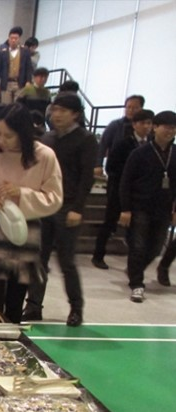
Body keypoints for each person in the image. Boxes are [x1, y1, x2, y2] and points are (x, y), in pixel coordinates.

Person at [0, 103, 63, 323]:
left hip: (25, 230)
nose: (1, 140)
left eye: (8, 136)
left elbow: (54, 197)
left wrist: (22, 193)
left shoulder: (44, 156)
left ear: (23, 133)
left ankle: (12, 336)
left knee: (16, 297)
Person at [22, 95, 97, 327]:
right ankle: (34, 306)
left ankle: (76, 308)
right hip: (44, 205)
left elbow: (86, 178)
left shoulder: (86, 139)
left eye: (63, 110)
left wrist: (78, 208)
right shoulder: (48, 138)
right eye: (54, 110)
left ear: (75, 114)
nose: (57, 114)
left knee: (67, 261)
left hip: (68, 206)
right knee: (38, 259)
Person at [119, 110, 176, 303]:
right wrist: (125, 209)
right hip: (140, 206)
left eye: (174, 128)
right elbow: (125, 181)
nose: (170, 131)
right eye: (167, 127)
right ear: (155, 128)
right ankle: (137, 284)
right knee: (138, 246)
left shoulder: (174, 153)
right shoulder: (140, 153)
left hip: (164, 208)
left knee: (156, 247)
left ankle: (134, 269)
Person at [92, 109, 154, 270]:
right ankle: (98, 255)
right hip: (119, 188)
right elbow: (112, 166)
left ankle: (133, 264)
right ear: (134, 125)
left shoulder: (152, 145)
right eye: (142, 123)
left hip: (140, 193)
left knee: (136, 230)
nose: (146, 127)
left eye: (149, 123)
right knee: (109, 222)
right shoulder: (124, 144)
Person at [95, 94, 145, 179]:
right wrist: (98, 165)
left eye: (135, 108)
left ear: (141, 109)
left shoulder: (146, 127)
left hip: (138, 170)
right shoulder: (115, 125)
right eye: (128, 107)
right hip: (116, 168)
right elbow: (103, 145)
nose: (131, 110)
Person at [0, 27, 33, 104]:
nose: (13, 40)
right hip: (6, 84)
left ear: (19, 39)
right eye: (11, 38)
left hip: (20, 83)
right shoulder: (2, 52)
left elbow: (28, 68)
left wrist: (28, 81)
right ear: (8, 39)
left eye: (16, 38)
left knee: (18, 106)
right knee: (6, 106)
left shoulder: (25, 51)